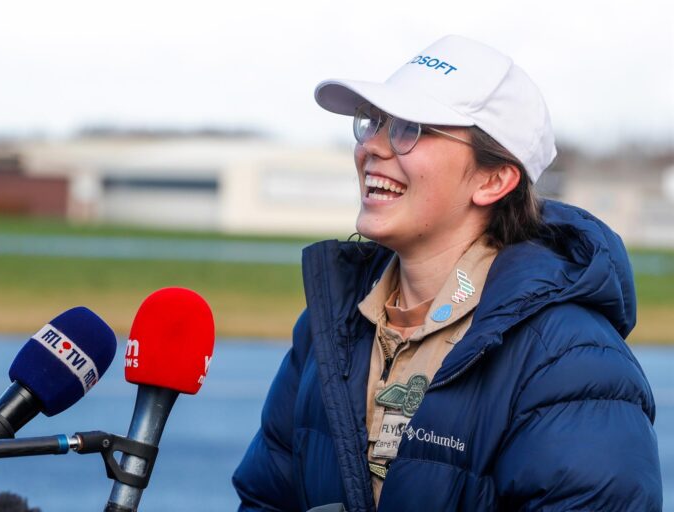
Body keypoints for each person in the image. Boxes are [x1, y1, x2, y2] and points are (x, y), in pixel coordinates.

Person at [232, 35, 662, 512]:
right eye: (374, 122)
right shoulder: (329, 326)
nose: (371, 145)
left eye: (410, 128)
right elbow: (265, 499)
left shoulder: (571, 361)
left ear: (493, 179)